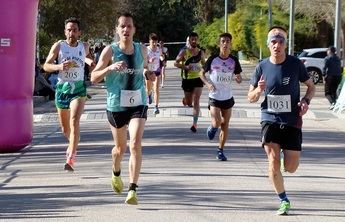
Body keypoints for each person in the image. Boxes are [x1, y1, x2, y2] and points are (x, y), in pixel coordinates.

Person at [247, 26, 315, 215]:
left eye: (281, 41)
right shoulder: (261, 66)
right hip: (269, 118)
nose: (277, 45)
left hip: (292, 120)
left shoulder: (295, 64)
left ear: (286, 44)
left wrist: (305, 101)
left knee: (291, 168)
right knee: (273, 161)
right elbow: (250, 97)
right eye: (273, 42)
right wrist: (259, 91)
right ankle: (283, 199)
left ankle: (286, 159)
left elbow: (311, 86)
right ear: (268, 45)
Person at [90, 12, 155, 205]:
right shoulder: (110, 51)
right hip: (116, 105)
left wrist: (148, 73)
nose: (126, 29)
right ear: (117, 30)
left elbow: (144, 67)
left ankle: (133, 189)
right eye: (122, 26)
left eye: (129, 26)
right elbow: (94, 78)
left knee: (135, 144)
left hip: (138, 103)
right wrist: (109, 68)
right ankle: (116, 170)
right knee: (120, 148)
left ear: (134, 29)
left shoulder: (142, 49)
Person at [43, 17, 95, 172]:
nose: (71, 32)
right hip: (62, 90)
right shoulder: (59, 46)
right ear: (65, 31)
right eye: (69, 30)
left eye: (74, 30)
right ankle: (73, 141)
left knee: (74, 120)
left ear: (79, 32)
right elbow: (45, 66)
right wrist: (59, 66)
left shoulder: (84, 46)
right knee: (66, 129)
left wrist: (91, 64)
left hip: (78, 89)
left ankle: (71, 157)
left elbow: (87, 58)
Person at [199, 33, 242, 161]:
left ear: (230, 44)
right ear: (219, 44)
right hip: (214, 96)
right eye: (223, 41)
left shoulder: (234, 60)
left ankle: (220, 150)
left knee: (225, 124)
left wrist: (238, 78)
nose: (225, 43)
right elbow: (201, 73)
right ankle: (212, 127)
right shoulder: (212, 59)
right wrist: (207, 84)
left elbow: (239, 77)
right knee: (217, 122)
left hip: (228, 97)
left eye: (227, 41)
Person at [174, 32, 206, 133]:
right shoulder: (184, 51)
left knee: (196, 101)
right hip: (187, 79)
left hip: (198, 79)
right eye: (192, 39)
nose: (194, 41)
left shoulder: (201, 52)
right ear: (189, 40)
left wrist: (206, 71)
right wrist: (185, 67)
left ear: (198, 40)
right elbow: (175, 63)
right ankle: (185, 100)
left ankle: (195, 124)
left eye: (195, 39)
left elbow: (204, 65)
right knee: (189, 102)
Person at [146, 33, 163, 114]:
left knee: (156, 88)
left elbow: (162, 55)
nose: (154, 44)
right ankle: (149, 95)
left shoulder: (159, 49)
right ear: (149, 41)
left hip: (157, 70)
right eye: (153, 42)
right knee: (148, 89)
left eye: (156, 42)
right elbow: (143, 61)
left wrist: (162, 58)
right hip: (149, 71)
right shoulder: (146, 50)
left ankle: (156, 106)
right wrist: (149, 61)